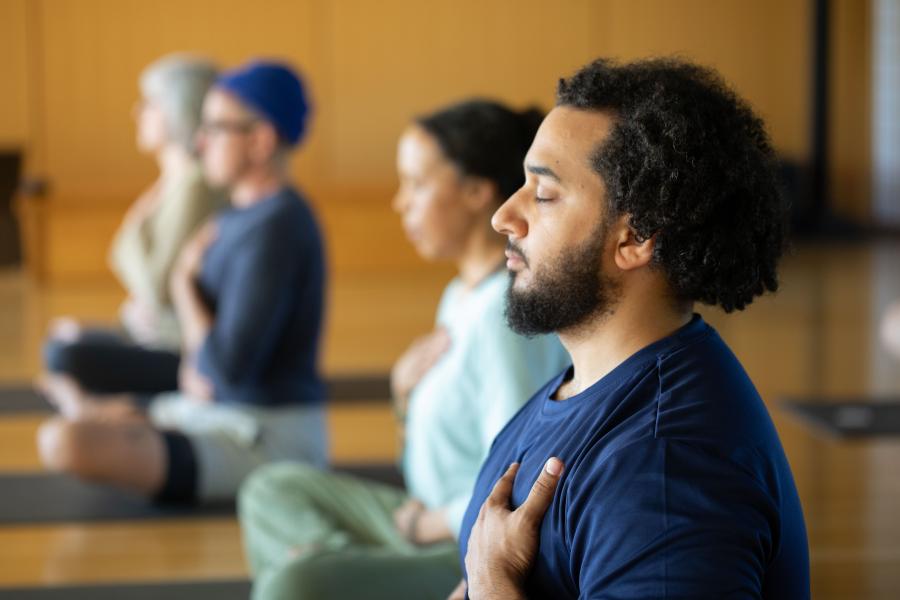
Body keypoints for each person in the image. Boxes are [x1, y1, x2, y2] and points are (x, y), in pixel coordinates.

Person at [454, 58, 810, 599]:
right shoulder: (583, 383)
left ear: (636, 237)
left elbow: (484, 576)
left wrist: (493, 585)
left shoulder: (665, 468)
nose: (505, 215)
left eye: (543, 194)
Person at [237, 100, 569, 600]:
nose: (400, 203)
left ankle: (329, 565)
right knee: (272, 490)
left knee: (293, 584)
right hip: (424, 518)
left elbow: (517, 486)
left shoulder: (504, 316)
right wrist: (402, 399)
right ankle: (338, 562)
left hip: (466, 542)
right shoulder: (460, 297)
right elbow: (431, 461)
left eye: (416, 184)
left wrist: (424, 525)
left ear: (478, 193)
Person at [37, 60, 328, 504]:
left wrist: (182, 286)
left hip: (265, 441)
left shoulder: (279, 226)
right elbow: (206, 371)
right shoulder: (240, 214)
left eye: (215, 128)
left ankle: (105, 411)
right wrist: (196, 369)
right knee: (72, 424)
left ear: (260, 140)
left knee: (66, 442)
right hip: (214, 413)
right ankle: (109, 412)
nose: (200, 140)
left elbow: (224, 371)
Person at [41, 54, 225, 397]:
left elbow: (157, 286)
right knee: (63, 338)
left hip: (178, 348)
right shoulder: (174, 182)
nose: (136, 113)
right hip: (150, 334)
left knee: (64, 355)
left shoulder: (196, 186)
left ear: (178, 109)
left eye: (149, 104)